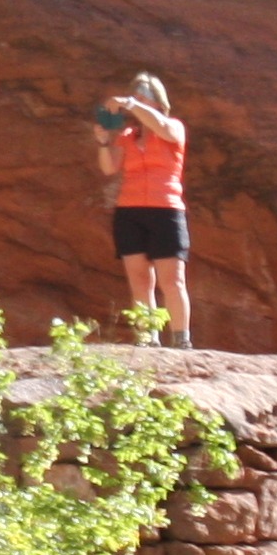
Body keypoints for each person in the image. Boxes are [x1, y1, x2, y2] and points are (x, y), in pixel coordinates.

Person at [94, 72, 193, 348]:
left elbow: (162, 126)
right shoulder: (127, 136)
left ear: (159, 103)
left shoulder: (172, 127)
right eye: (134, 98)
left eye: (143, 99)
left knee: (172, 279)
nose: (135, 105)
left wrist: (130, 103)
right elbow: (109, 167)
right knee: (139, 278)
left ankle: (180, 339)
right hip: (130, 209)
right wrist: (103, 141)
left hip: (166, 209)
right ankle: (147, 337)